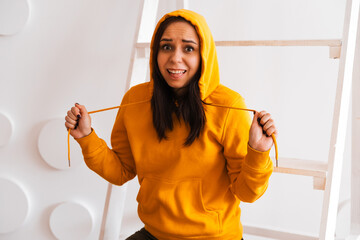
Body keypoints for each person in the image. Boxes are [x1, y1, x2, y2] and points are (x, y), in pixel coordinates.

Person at [65, 9, 277, 240]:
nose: (175, 58)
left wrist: (258, 151)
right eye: (166, 46)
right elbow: (121, 171)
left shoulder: (229, 105)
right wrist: (86, 136)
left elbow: (247, 193)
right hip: (154, 234)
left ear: (204, 54)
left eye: (188, 48)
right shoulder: (135, 100)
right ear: (156, 52)